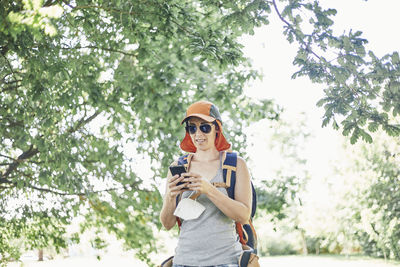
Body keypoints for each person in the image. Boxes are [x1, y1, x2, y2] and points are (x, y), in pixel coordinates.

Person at [160, 100, 252, 267]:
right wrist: (170, 197)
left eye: (204, 127)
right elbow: (167, 224)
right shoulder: (178, 167)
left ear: (217, 128)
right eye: (192, 128)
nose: (198, 134)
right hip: (184, 262)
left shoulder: (236, 165)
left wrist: (209, 190)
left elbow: (244, 215)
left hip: (226, 261)